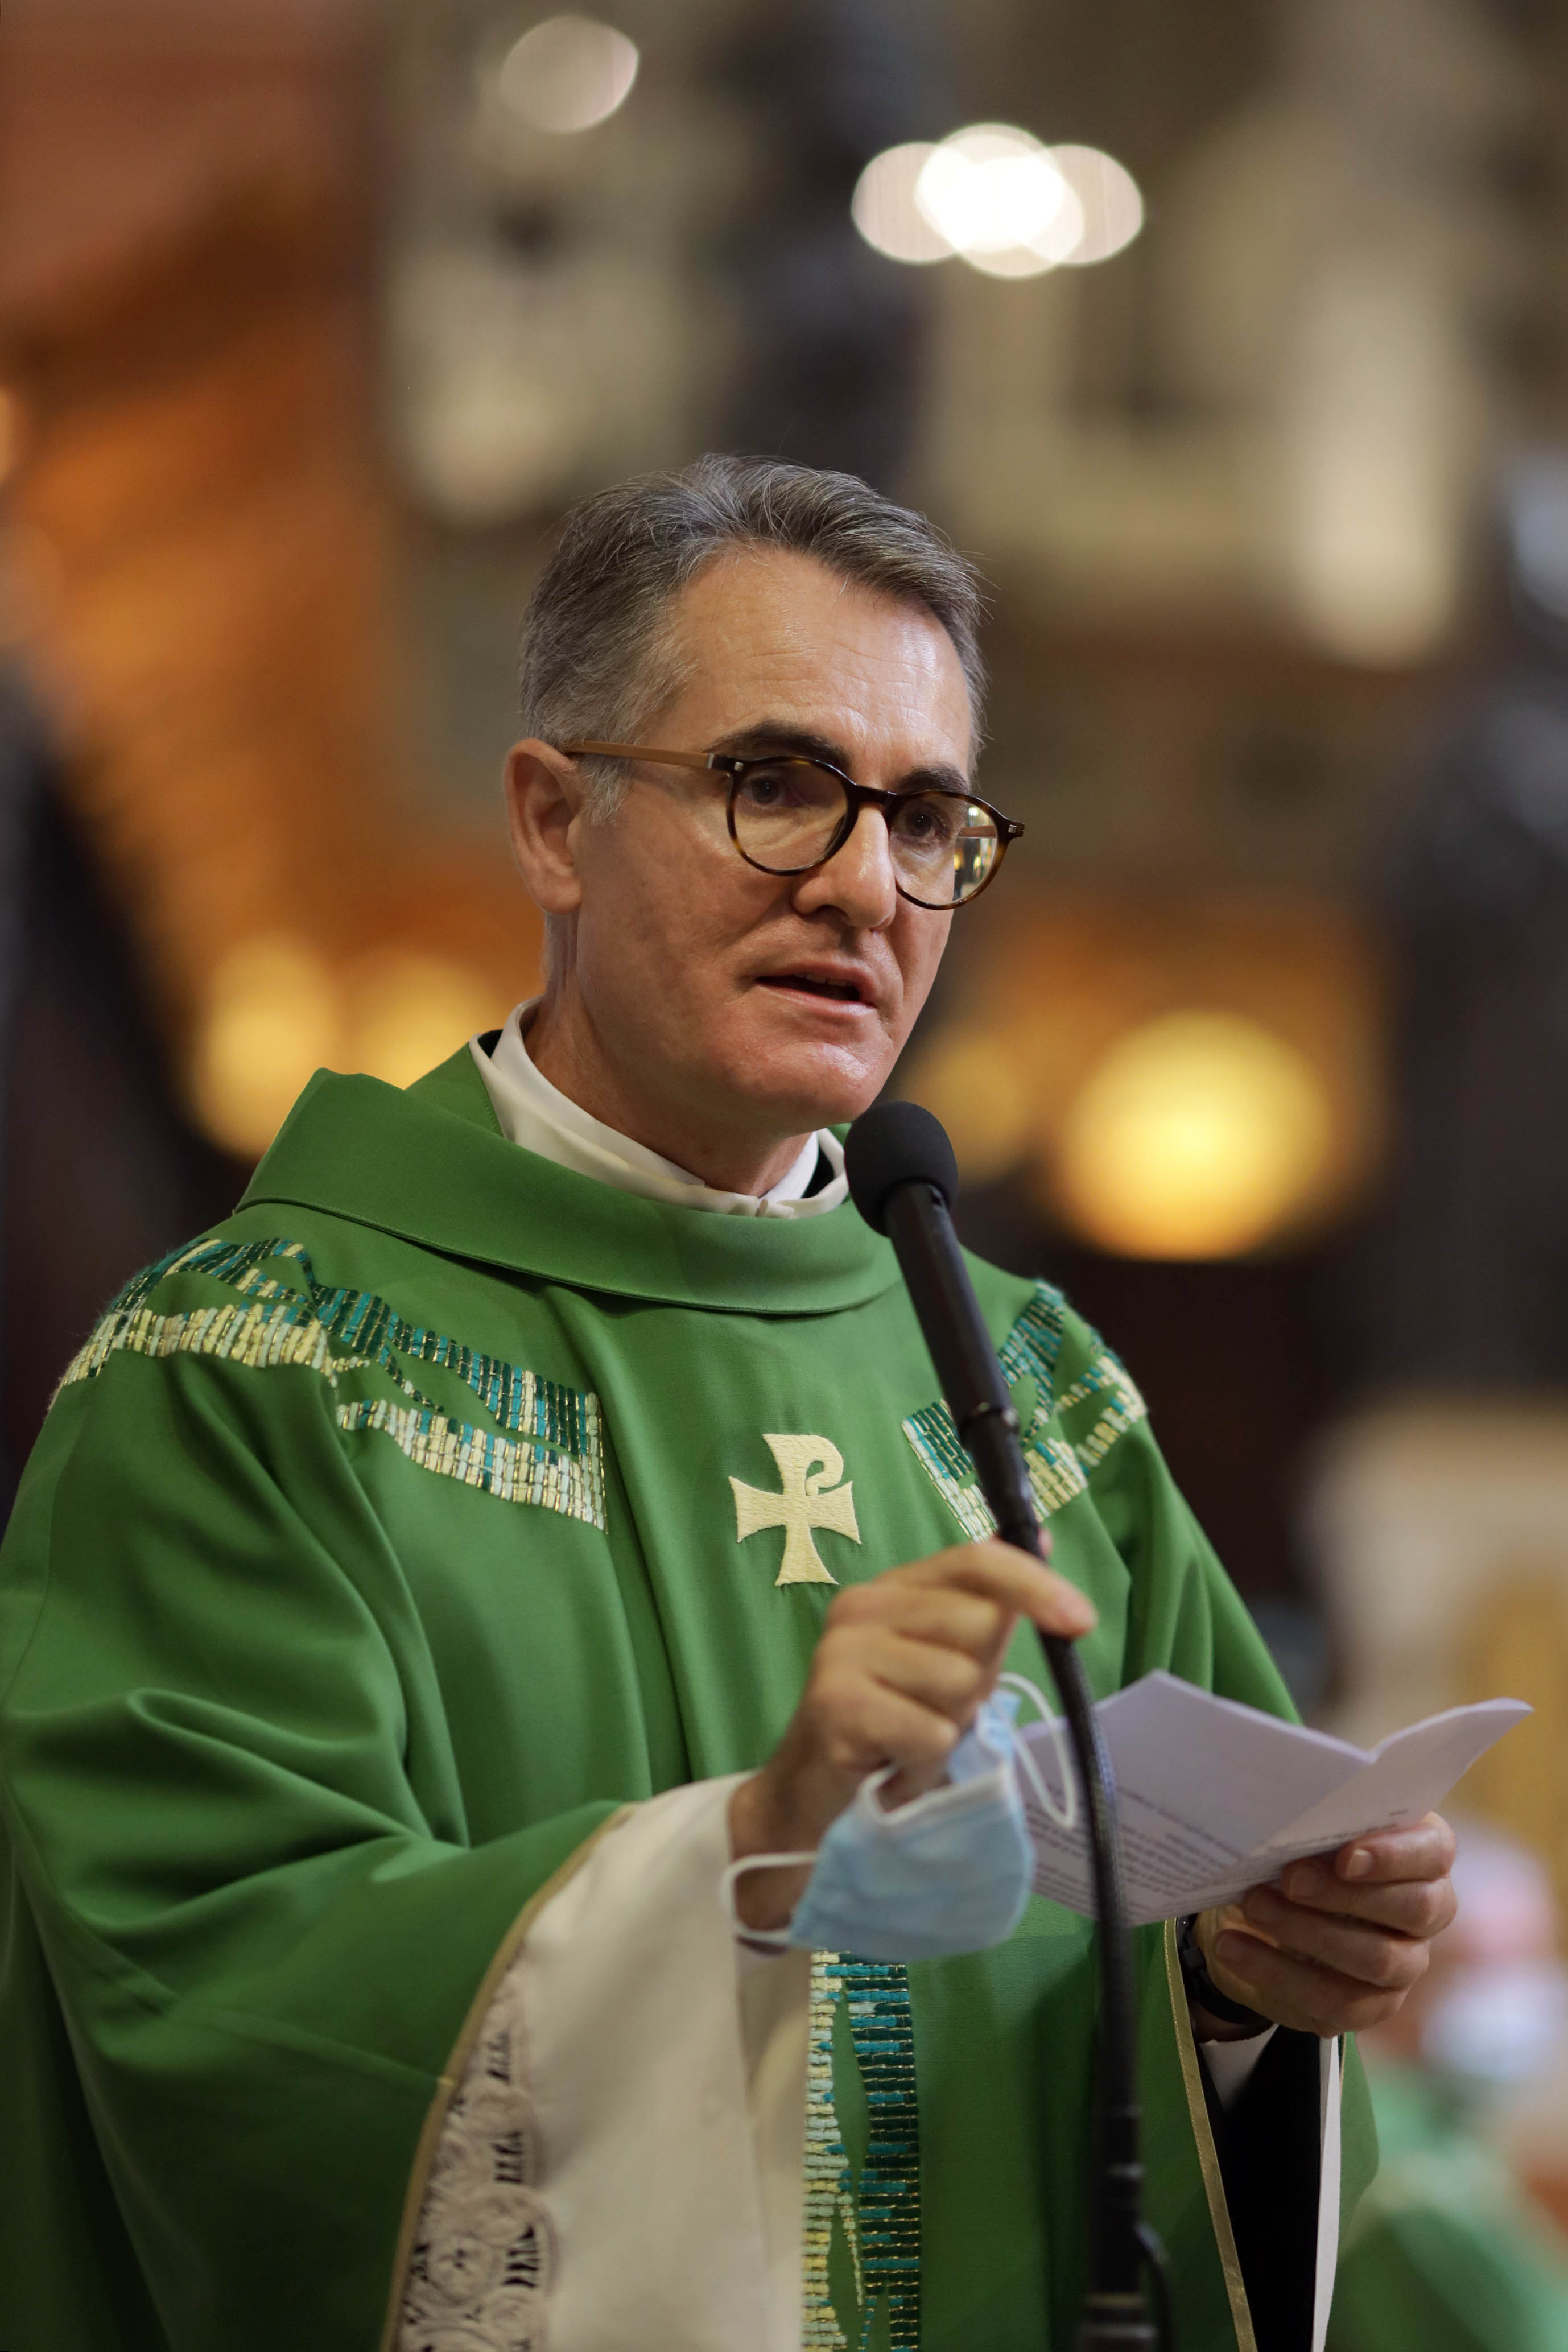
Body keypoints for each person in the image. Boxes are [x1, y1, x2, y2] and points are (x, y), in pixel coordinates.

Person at [0, 457, 1456, 2352]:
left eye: (927, 818)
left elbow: (1183, 2016)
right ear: (553, 819)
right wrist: (747, 1853)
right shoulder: (252, 1376)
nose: (863, 883)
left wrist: (1243, 1989)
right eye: (776, 784)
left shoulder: (1033, 1392)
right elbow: (205, 2025)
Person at [1329, 1825, 1568, 2352]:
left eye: (1537, 1958)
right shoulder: (1404, 2182)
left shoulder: (1443, 2126)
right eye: (1490, 1969)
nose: (1522, 1994)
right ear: (1401, 1967)